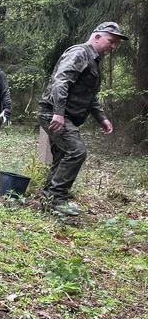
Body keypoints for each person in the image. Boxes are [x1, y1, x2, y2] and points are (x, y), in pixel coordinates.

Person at [38, 21, 127, 216]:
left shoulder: (93, 59)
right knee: (77, 152)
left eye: (116, 44)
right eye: (111, 41)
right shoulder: (80, 53)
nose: (113, 47)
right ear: (97, 37)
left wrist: (101, 118)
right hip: (54, 113)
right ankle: (56, 198)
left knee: (62, 156)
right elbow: (61, 81)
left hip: (65, 115)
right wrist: (59, 113)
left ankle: (49, 198)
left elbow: (90, 96)